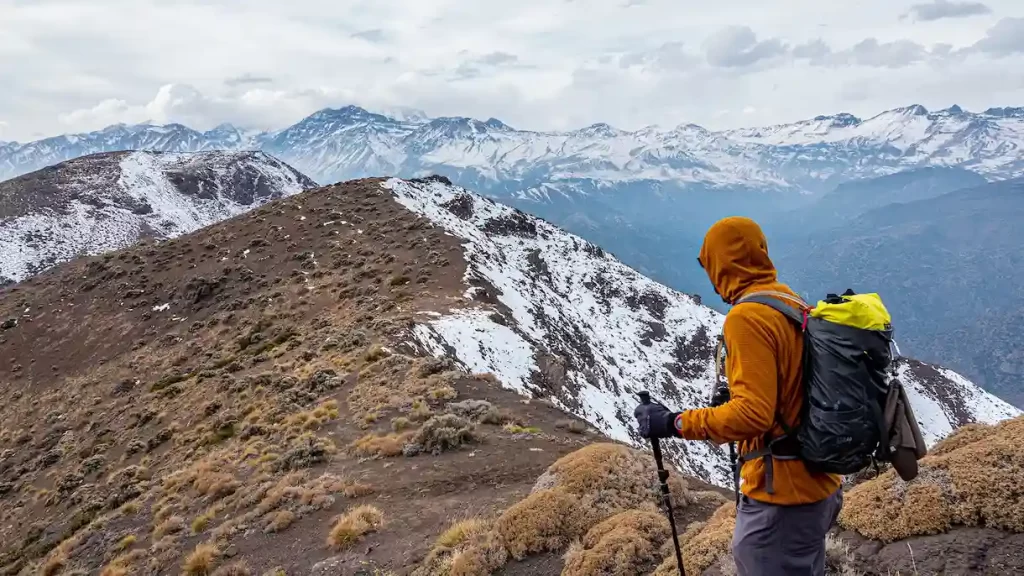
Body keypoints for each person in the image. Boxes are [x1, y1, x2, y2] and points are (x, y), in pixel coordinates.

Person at [634, 216, 843, 576]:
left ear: (722, 264)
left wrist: (673, 422)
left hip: (783, 496)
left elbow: (753, 415)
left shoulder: (746, 318)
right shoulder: (787, 300)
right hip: (819, 484)